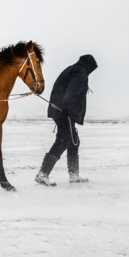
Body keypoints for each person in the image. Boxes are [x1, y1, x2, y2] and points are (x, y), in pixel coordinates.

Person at [35, 54, 98, 186]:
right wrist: (70, 112)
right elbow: (71, 94)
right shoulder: (80, 72)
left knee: (74, 140)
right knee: (64, 139)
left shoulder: (71, 69)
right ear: (89, 65)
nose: (90, 72)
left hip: (59, 109)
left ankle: (74, 175)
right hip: (64, 112)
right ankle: (43, 174)